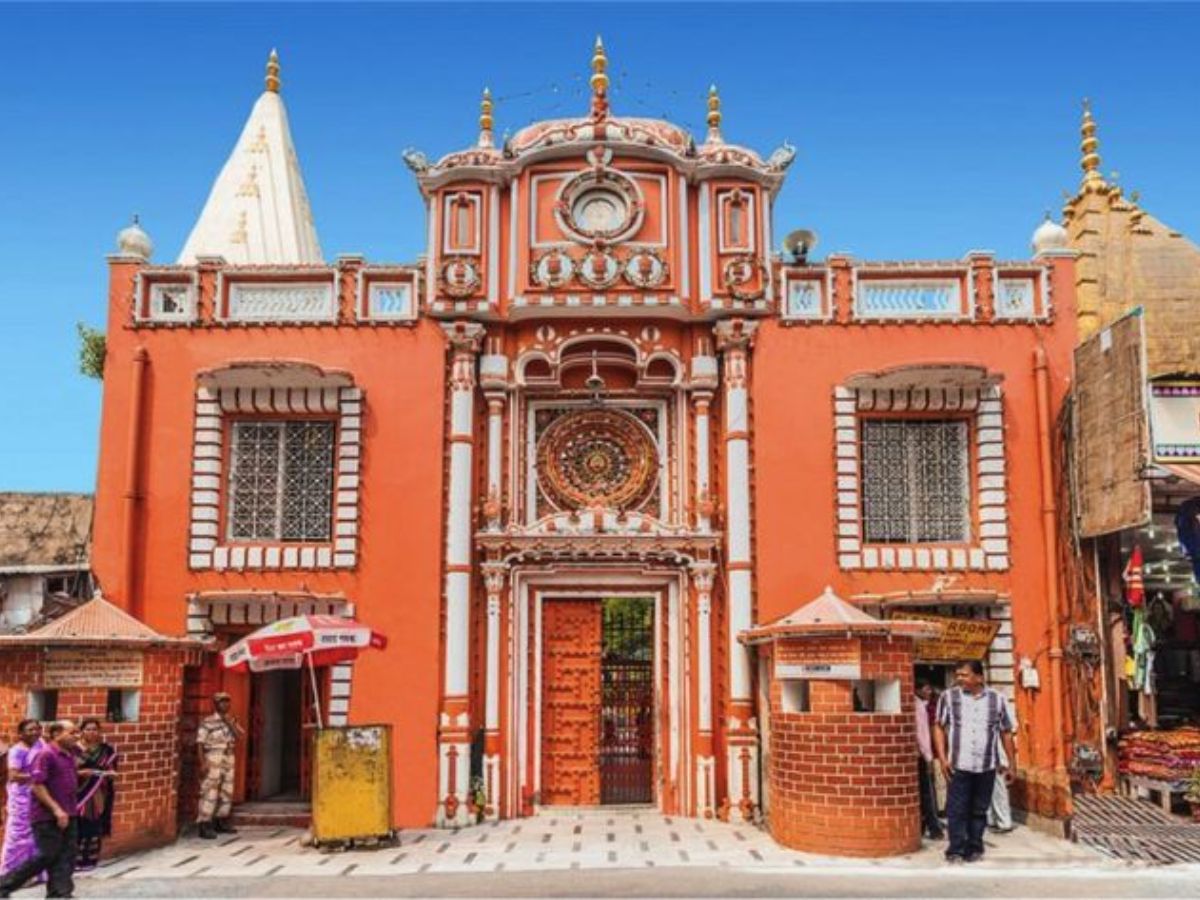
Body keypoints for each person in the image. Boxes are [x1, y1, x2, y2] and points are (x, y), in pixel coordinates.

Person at [933, 660, 1016, 864]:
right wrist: (943, 758)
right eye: (958, 675)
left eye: (965, 675)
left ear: (979, 677)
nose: (959, 679)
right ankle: (955, 850)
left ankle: (974, 847)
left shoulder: (998, 700)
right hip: (958, 764)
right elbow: (938, 726)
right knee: (956, 809)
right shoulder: (949, 697)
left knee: (979, 809)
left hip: (986, 765)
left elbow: (1006, 732)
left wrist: (1012, 764)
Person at [0, 720, 80, 899]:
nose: (76, 736)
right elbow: (37, 785)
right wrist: (57, 810)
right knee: (46, 854)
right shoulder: (46, 754)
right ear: (56, 734)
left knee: (66, 854)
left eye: (76, 732)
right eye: (72, 733)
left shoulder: (68, 754)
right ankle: (4, 884)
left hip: (69, 811)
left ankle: (60, 893)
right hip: (47, 815)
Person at [195, 692, 244, 839]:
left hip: (228, 756)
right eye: (222, 702)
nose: (225, 704)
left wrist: (229, 722)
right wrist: (203, 762)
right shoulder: (208, 722)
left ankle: (221, 821)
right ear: (215, 704)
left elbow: (239, 736)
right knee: (210, 790)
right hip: (213, 756)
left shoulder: (232, 720)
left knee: (226, 790)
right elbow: (200, 743)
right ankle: (204, 824)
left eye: (227, 702)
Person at [1, 720, 44, 878]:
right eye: (30, 730)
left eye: (37, 729)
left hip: (38, 795)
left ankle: (34, 873)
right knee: (18, 835)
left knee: (37, 833)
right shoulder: (17, 751)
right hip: (21, 798)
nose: (35, 732)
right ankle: (11, 874)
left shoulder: (41, 745)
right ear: (20, 734)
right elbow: (14, 776)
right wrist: (37, 776)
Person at [73, 720, 117, 870]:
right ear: (81, 731)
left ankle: (90, 860)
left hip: (98, 792)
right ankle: (74, 860)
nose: (92, 732)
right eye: (88, 729)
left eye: (95, 729)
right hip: (77, 794)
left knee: (94, 824)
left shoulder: (106, 750)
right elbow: (66, 771)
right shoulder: (73, 749)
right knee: (78, 824)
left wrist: (110, 774)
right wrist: (81, 773)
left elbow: (111, 770)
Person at [914, 682, 944, 840]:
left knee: (924, 792)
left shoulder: (920, 705)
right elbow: (922, 734)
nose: (930, 691)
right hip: (923, 755)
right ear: (917, 690)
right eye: (926, 688)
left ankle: (925, 826)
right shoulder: (918, 707)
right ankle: (934, 828)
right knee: (927, 792)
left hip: (921, 754)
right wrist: (928, 757)